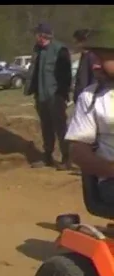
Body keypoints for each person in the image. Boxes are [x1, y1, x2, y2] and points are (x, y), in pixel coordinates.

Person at [65, 29, 114, 203]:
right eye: (94, 59)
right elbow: (79, 152)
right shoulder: (90, 98)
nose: (95, 66)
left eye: (102, 59)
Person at [24, 23, 73, 170]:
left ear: (42, 35)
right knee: (46, 127)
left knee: (61, 128)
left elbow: (66, 75)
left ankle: (67, 158)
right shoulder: (37, 50)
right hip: (41, 95)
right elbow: (34, 72)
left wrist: (62, 94)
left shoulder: (60, 50)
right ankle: (47, 156)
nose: (35, 37)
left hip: (55, 96)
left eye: (37, 34)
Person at [73, 29, 99, 103]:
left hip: (87, 99)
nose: (75, 44)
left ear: (83, 41)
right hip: (80, 98)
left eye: (76, 41)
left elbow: (94, 80)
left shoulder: (92, 57)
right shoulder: (83, 56)